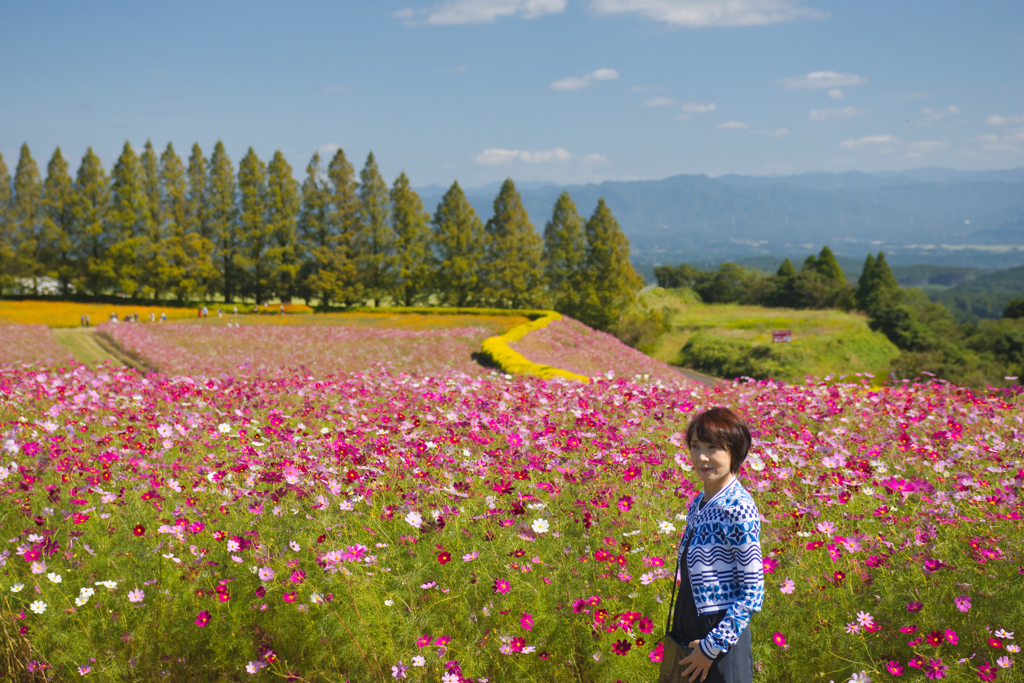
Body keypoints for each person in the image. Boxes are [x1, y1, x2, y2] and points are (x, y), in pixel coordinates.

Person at [670, 407, 763, 683]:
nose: (701, 457)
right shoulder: (699, 503)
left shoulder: (738, 506)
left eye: (713, 447)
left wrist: (711, 648)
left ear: (735, 452)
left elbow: (753, 591)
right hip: (691, 626)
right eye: (695, 446)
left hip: (719, 637)